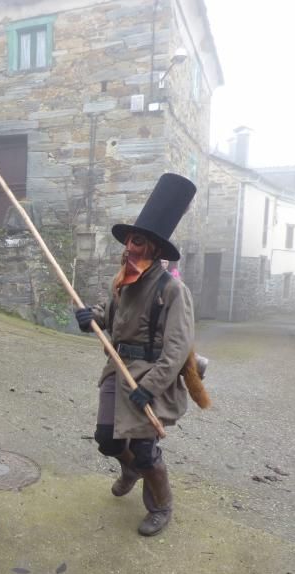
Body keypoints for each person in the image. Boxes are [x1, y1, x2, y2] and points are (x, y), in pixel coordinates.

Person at [74, 174, 199, 537]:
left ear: (155, 250)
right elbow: (107, 314)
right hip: (117, 370)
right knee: (107, 440)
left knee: (146, 451)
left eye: (137, 242)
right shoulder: (122, 281)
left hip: (151, 377)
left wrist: (152, 386)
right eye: (129, 240)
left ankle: (161, 506)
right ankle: (128, 469)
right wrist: (90, 318)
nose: (129, 247)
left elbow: (177, 348)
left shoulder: (172, 290)